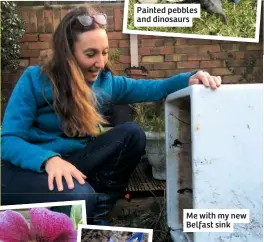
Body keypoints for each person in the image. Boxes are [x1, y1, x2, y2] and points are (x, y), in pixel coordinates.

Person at [1, 6, 221, 225]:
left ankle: (99, 211)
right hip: (27, 171)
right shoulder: (34, 80)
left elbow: (154, 88)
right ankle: (82, 205)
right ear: (68, 53)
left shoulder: (105, 84)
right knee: (80, 195)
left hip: (74, 163)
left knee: (132, 134)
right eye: (90, 54)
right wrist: (48, 160)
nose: (100, 62)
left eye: (104, 52)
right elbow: (8, 140)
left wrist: (192, 78)